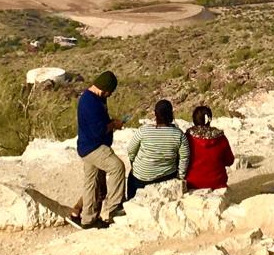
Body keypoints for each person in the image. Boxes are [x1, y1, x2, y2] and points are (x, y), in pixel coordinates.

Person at [74, 71, 126, 229]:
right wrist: (113, 125)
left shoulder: (93, 99)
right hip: (94, 147)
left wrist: (110, 123)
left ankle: (88, 220)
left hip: (86, 146)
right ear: (106, 89)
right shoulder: (91, 103)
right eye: (110, 92)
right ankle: (114, 208)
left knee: (92, 183)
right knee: (117, 167)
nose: (109, 95)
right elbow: (98, 130)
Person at [125, 99, 191, 200]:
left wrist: (134, 163)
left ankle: (130, 201)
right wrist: (180, 176)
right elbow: (184, 157)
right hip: (166, 177)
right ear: (171, 114)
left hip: (141, 177)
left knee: (131, 179)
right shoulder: (179, 134)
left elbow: (131, 150)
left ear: (155, 114)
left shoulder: (143, 130)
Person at [185, 105, 235, 191]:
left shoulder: (187, 137)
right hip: (217, 182)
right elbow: (229, 161)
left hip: (192, 183)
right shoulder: (220, 137)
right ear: (210, 119)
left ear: (194, 120)